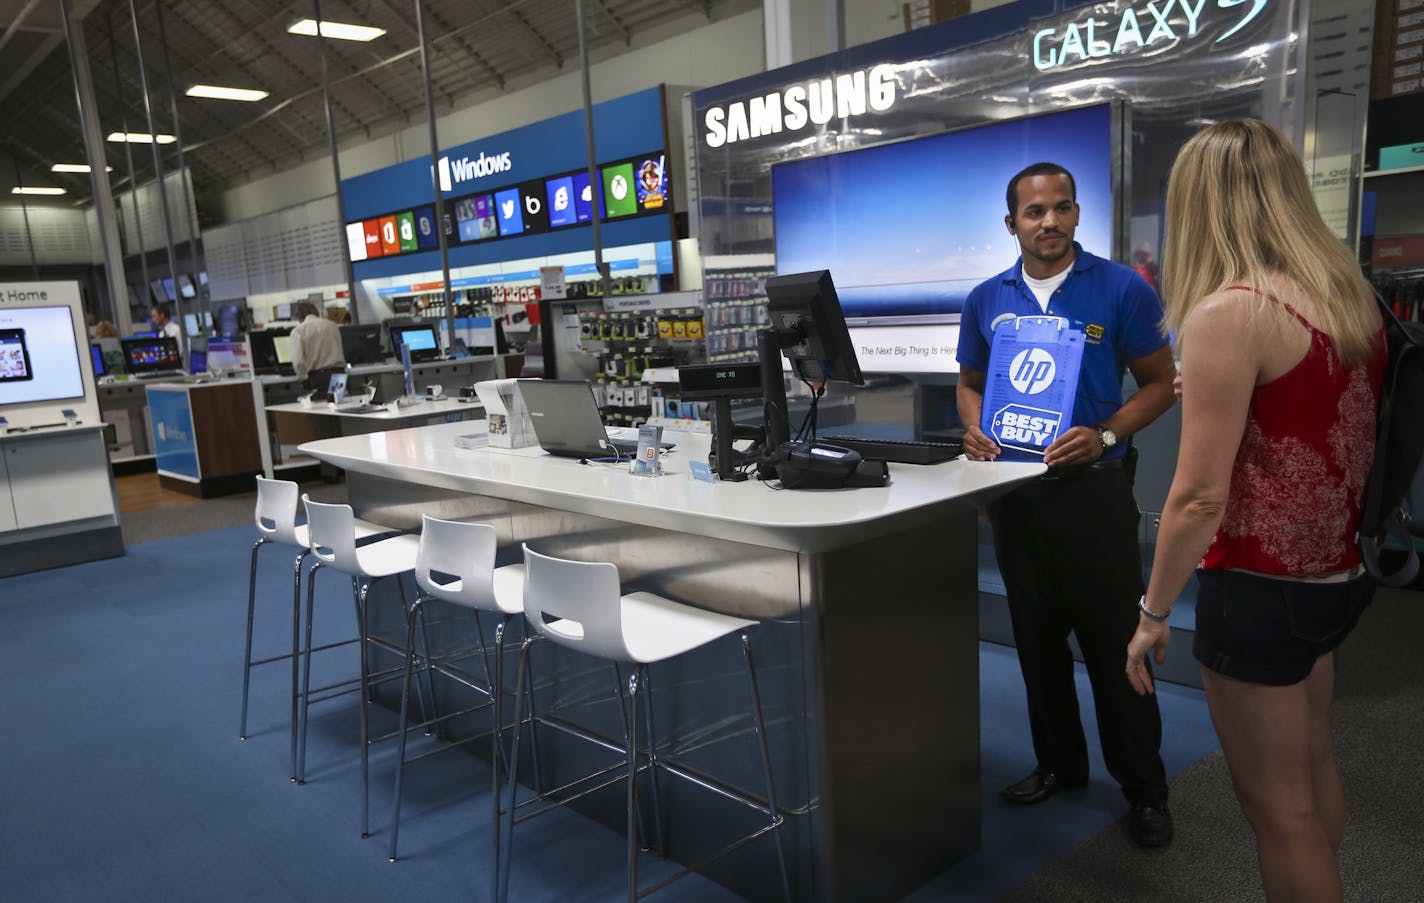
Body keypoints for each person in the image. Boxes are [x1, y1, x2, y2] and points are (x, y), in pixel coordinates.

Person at [1126, 120, 1384, 901]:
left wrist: (1152, 610)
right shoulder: (1347, 294)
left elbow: (1200, 495)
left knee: (1278, 812)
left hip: (1261, 589)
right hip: (1336, 572)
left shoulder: (1228, 312)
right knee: (1311, 774)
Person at [956, 161, 1179, 847]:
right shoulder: (986, 298)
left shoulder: (1121, 289)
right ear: (1011, 223)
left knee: (1118, 650)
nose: (1047, 221)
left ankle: (1145, 789)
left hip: (1096, 493)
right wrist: (973, 424)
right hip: (1016, 497)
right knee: (1037, 645)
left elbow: (1162, 383)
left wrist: (1108, 432)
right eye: (1033, 212)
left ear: (1078, 214)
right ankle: (1060, 762)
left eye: (1060, 208)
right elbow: (967, 381)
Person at [289, 300, 346, 392]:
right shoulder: (333, 325)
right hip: (339, 374)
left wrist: (304, 378)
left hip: (318, 377)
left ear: (298, 315)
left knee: (321, 406)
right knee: (341, 405)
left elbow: (298, 362)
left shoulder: (298, 331)